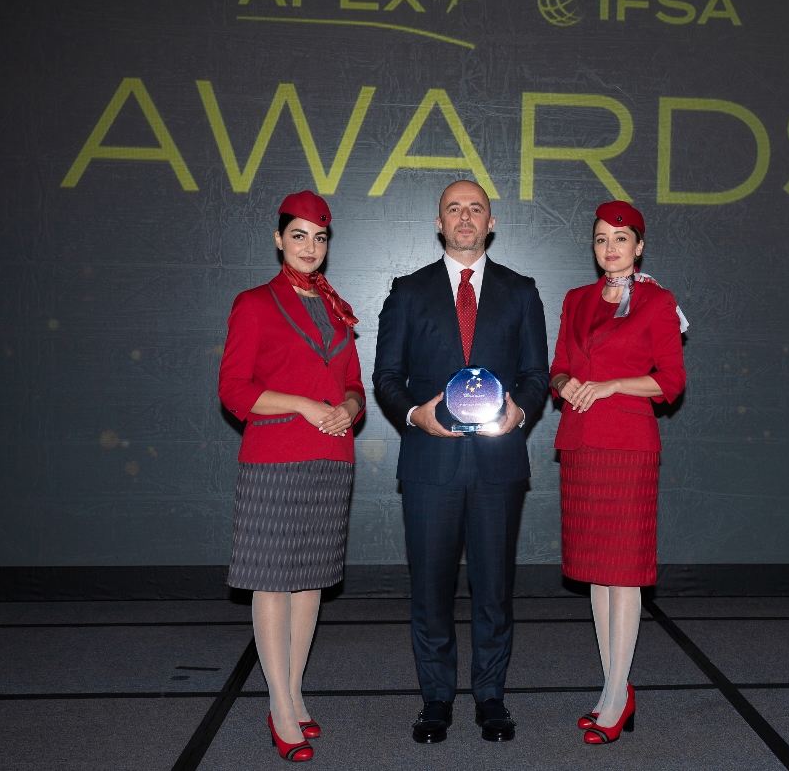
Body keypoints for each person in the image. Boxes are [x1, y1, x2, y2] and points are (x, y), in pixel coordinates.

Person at [373, 180, 549, 744]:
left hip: (498, 463)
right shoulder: (407, 291)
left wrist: (519, 412)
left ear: (491, 223)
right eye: (454, 209)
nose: (465, 217)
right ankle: (436, 699)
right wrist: (414, 415)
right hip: (430, 464)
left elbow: (537, 374)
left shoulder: (521, 291)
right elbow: (386, 376)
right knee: (430, 590)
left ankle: (491, 697)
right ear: (439, 223)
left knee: (494, 590)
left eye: (476, 209)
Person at [218, 190, 366, 763]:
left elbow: (353, 384)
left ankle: (295, 691)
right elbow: (234, 391)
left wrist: (348, 408)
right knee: (273, 581)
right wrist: (302, 404)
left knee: (310, 581)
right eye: (298, 235)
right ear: (279, 239)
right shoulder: (255, 303)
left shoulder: (336, 306)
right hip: (275, 456)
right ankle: (279, 706)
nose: (309, 247)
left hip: (331, 456)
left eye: (319, 237)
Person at [549, 200, 687, 744]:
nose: (611, 248)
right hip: (581, 444)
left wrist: (610, 386)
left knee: (623, 572)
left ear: (639, 246)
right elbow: (558, 368)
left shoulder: (658, 301)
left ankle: (613, 695)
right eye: (602, 239)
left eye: (621, 239)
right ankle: (615, 689)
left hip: (628, 446)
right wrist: (567, 386)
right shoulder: (576, 299)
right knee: (597, 571)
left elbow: (670, 381)